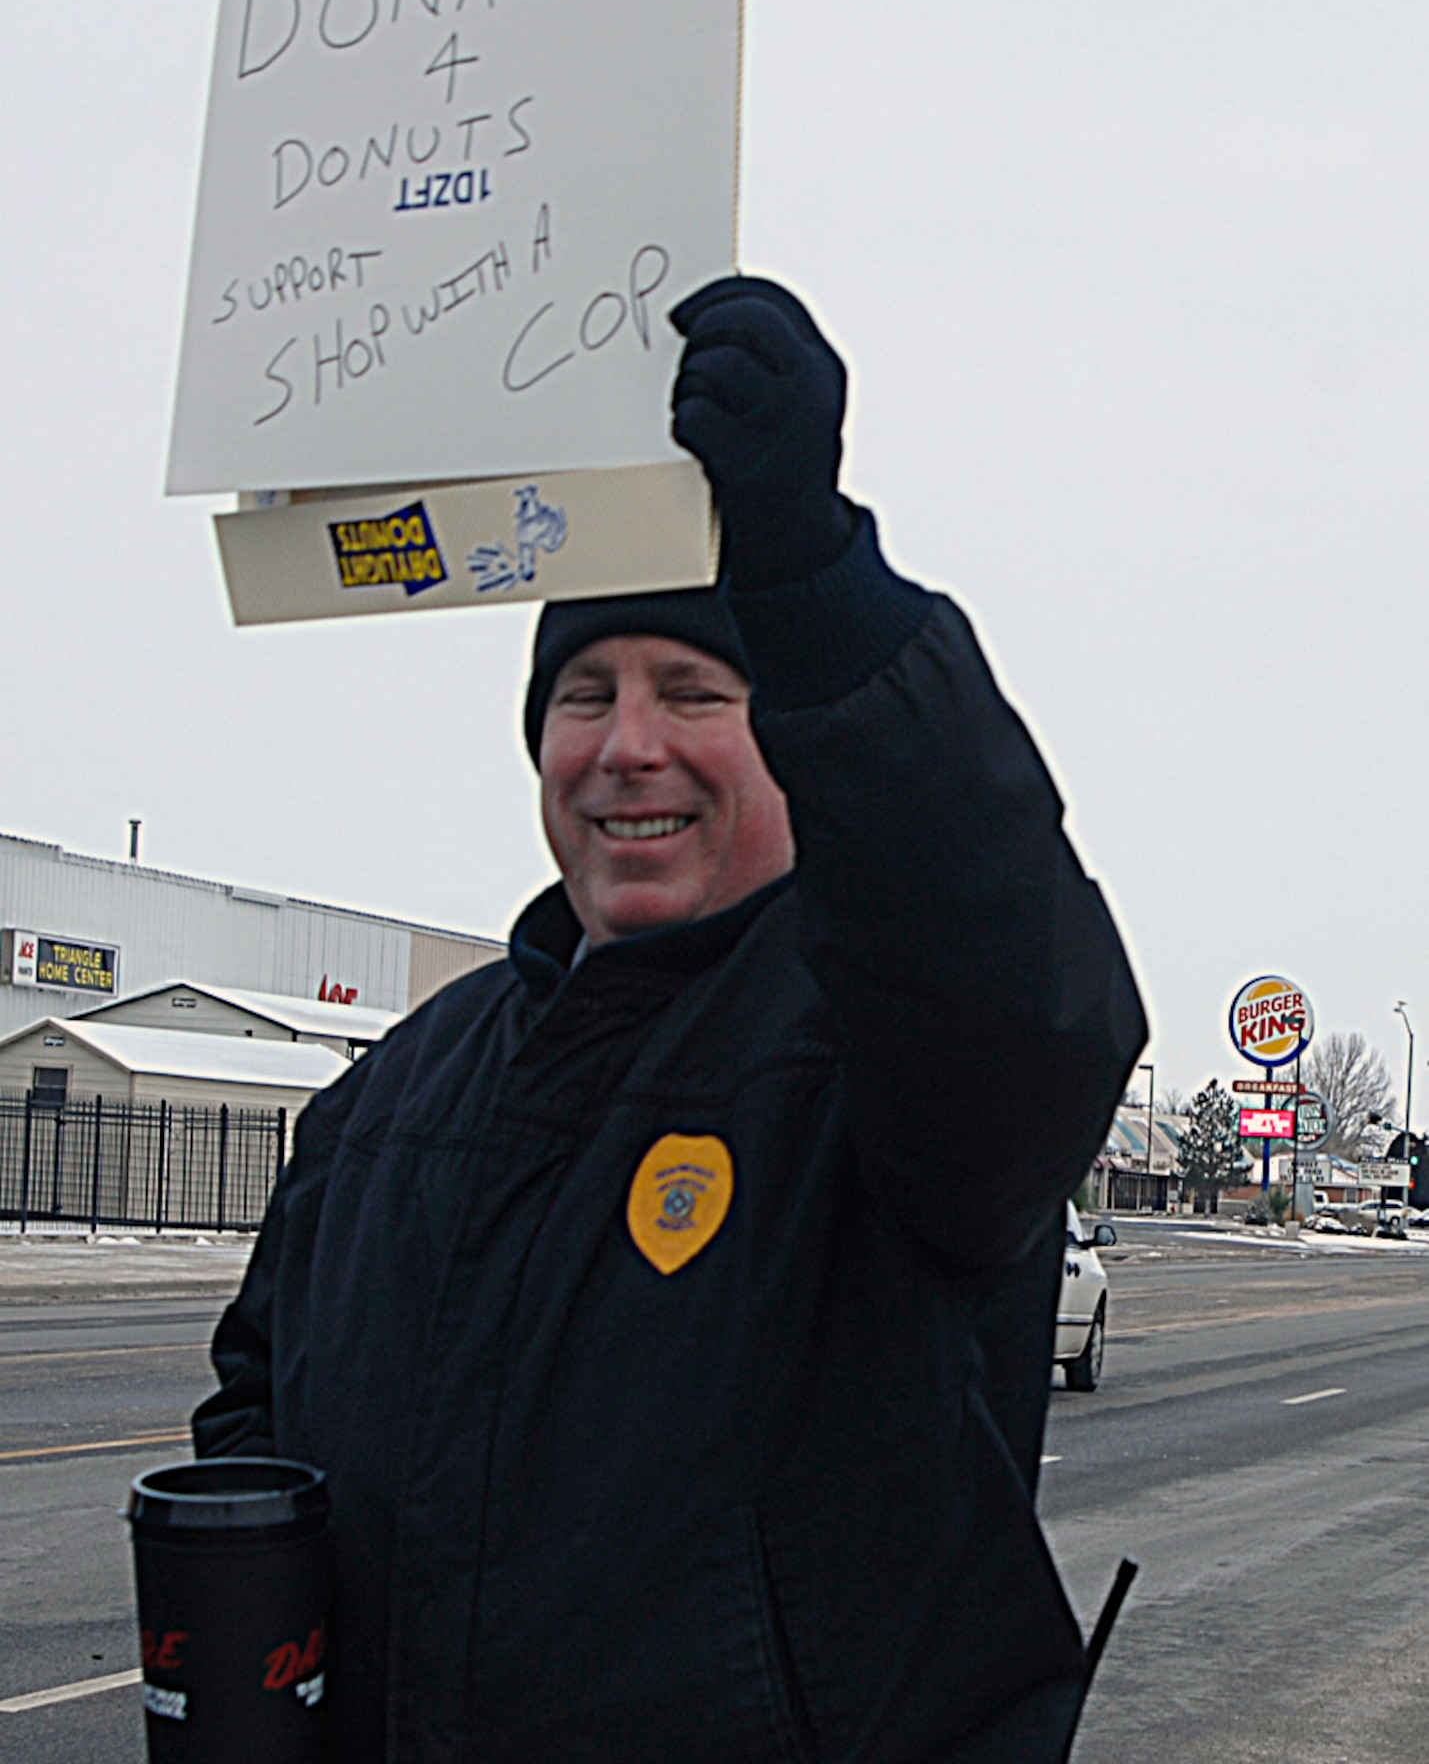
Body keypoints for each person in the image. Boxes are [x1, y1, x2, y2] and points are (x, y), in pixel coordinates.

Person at [194, 276, 1146, 1763]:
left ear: (793, 735)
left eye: (695, 690)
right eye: (586, 693)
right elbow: (257, 1410)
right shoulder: (398, 1096)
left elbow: (1018, 997)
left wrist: (817, 587)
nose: (628, 746)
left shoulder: (876, 1048)